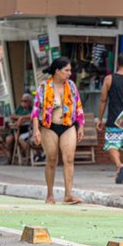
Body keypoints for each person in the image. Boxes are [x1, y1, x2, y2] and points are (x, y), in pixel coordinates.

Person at [31, 57, 85, 205]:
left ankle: (68, 194)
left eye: (70, 71)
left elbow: (78, 106)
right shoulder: (44, 87)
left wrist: (80, 126)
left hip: (68, 125)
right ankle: (50, 194)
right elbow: (36, 110)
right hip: (49, 126)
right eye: (66, 70)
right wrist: (36, 130)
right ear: (57, 70)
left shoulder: (72, 86)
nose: (69, 73)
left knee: (69, 159)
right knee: (52, 160)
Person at [97, 53, 123, 184]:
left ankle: (119, 166)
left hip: (113, 118)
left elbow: (103, 100)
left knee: (112, 144)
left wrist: (100, 119)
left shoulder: (109, 79)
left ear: (117, 63)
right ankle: (121, 173)